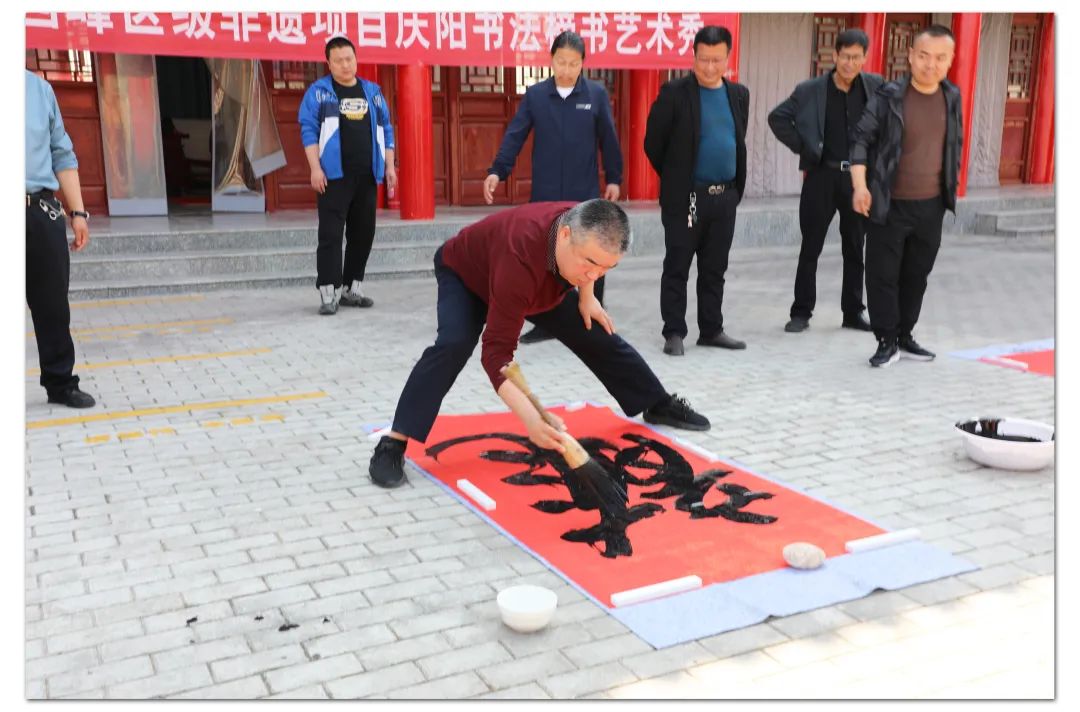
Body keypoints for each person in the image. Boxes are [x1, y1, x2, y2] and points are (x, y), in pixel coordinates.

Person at [368, 200, 710, 488]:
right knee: (453, 344)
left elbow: (594, 262)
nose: (594, 274)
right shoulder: (520, 256)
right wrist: (530, 419)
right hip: (468, 276)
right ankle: (394, 442)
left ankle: (656, 402)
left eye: (605, 269)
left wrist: (587, 297)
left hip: (539, 281)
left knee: (594, 330)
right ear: (564, 235)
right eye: (589, 264)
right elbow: (496, 356)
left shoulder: (586, 222)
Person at [483, 31, 623, 345]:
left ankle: (590, 318)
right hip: (546, 192)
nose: (567, 69)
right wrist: (498, 171)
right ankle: (547, 322)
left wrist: (614, 178)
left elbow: (609, 140)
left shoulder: (595, 95)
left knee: (593, 253)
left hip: (583, 190)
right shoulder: (535, 95)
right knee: (549, 255)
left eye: (573, 64)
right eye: (561, 62)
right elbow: (515, 135)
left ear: (582, 64)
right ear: (551, 60)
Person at [850, 24, 962, 368]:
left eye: (940, 58)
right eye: (924, 56)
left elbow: (953, 143)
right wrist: (860, 186)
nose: (931, 64)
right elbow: (861, 140)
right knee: (882, 274)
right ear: (911, 56)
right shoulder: (888, 96)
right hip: (889, 203)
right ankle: (886, 339)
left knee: (916, 274)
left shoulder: (952, 96)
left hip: (931, 206)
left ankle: (905, 335)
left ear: (950, 60)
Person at [768, 28, 882, 334]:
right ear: (835, 56)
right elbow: (777, 117)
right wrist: (805, 148)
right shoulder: (810, 90)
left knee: (856, 246)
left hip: (858, 180)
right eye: (845, 57)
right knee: (811, 246)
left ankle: (853, 312)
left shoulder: (875, 87)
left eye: (857, 58)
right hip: (822, 176)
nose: (850, 63)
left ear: (864, 58)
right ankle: (801, 312)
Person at [644, 25, 749, 357]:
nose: (709, 67)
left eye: (717, 60)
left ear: (728, 58)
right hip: (687, 198)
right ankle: (674, 331)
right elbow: (653, 144)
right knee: (678, 264)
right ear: (694, 56)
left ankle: (711, 329)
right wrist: (677, 178)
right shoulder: (674, 93)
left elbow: (736, 139)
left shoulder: (738, 94)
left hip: (725, 196)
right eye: (703, 59)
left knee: (715, 267)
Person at [298, 35, 397, 315]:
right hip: (333, 177)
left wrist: (389, 166)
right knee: (330, 233)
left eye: (349, 59)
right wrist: (315, 168)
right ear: (328, 63)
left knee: (363, 232)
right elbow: (308, 130)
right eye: (339, 60)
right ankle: (328, 291)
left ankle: (353, 288)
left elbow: (386, 130)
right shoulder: (319, 92)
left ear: (356, 58)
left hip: (367, 176)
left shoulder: (372, 92)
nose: (345, 65)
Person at [25, 70, 95, 409]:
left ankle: (60, 383)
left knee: (52, 304)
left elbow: (61, 153)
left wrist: (78, 212)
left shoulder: (38, 89)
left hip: (39, 209)